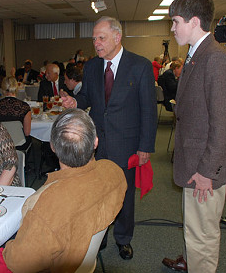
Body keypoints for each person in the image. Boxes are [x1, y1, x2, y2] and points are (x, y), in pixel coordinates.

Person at [61, 16, 157, 260]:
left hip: (127, 144)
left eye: (101, 38)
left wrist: (145, 146)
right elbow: (88, 100)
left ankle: (123, 239)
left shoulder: (140, 66)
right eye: (94, 39)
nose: (96, 43)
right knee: (98, 194)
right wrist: (75, 102)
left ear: (117, 37)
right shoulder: (92, 66)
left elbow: (148, 110)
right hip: (98, 144)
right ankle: (99, 237)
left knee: (124, 195)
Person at [0, 109, 127, 272]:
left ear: (53, 147)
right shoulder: (114, 171)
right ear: (96, 142)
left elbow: (18, 264)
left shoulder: (47, 204)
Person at [162, 0, 226, 273]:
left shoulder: (214, 58)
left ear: (194, 22)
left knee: (203, 235)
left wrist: (207, 171)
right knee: (195, 228)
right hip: (195, 162)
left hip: (205, 168)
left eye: (176, 21)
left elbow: (224, 123)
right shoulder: (197, 55)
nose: (172, 28)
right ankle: (190, 261)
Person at [0, 76, 32, 150]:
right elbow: (27, 133)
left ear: (3, 88)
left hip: (1, 143)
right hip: (20, 144)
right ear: (16, 88)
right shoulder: (24, 107)